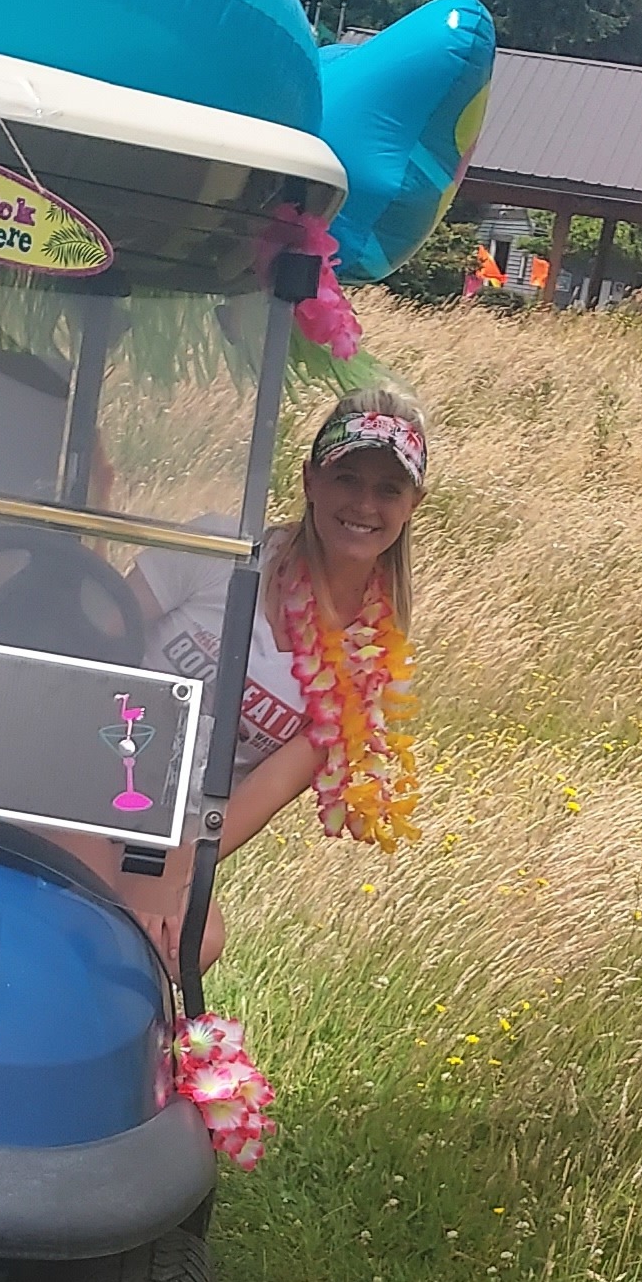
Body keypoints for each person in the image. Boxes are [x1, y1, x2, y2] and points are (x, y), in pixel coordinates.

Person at [121, 386, 426, 968]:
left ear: (414, 504)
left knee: (191, 941)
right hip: (91, 777)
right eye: (346, 478)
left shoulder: (367, 669)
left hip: (177, 835)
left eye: (388, 489)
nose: (364, 504)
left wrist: (169, 874)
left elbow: (254, 798)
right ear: (310, 480)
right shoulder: (222, 551)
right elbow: (94, 641)